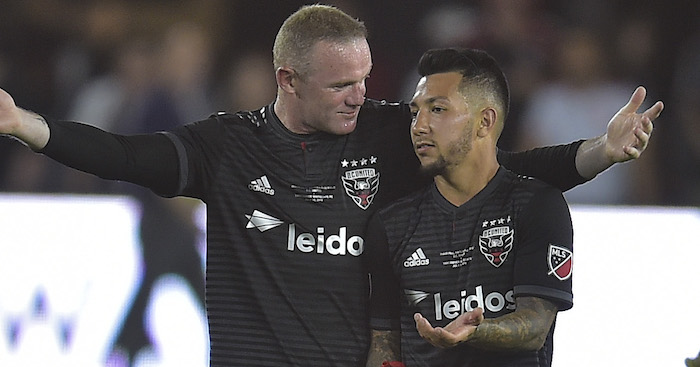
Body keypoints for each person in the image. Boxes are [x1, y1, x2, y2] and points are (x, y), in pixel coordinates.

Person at [0, 4, 662, 367]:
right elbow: (123, 155)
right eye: (341, 84)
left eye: (366, 78)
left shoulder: (388, 134)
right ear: (288, 79)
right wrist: (26, 125)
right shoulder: (227, 145)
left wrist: (598, 151)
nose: (361, 96)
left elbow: (500, 172)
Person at [364, 48, 574, 367]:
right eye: (414, 113)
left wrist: (476, 331)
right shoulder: (392, 225)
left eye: (437, 109)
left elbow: (535, 327)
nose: (419, 126)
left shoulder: (537, 204)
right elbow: (384, 344)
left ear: (484, 122)